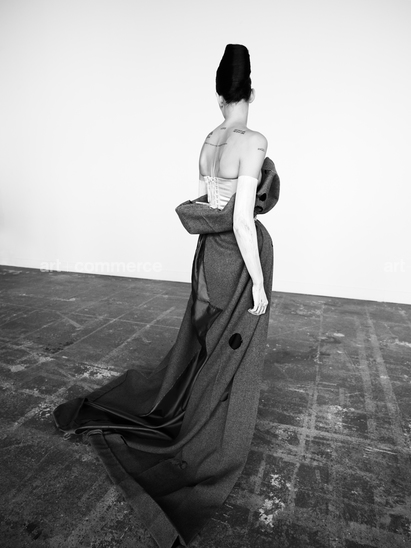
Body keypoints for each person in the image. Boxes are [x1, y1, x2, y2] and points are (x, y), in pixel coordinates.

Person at [53, 44, 280, 548]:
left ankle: (195, 408)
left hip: (208, 256)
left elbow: (209, 204)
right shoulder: (253, 140)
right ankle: (208, 431)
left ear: (218, 95)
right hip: (238, 260)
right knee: (233, 349)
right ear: (252, 92)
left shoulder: (208, 141)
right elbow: (242, 221)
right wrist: (260, 282)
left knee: (208, 341)